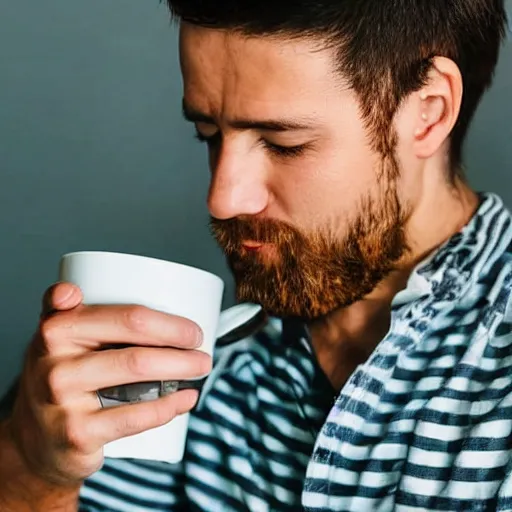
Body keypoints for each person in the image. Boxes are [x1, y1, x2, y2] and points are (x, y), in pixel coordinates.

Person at [0, 0, 510, 510]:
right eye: (209, 136)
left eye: (284, 143)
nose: (223, 198)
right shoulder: (181, 371)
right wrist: (35, 469)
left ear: (428, 111)